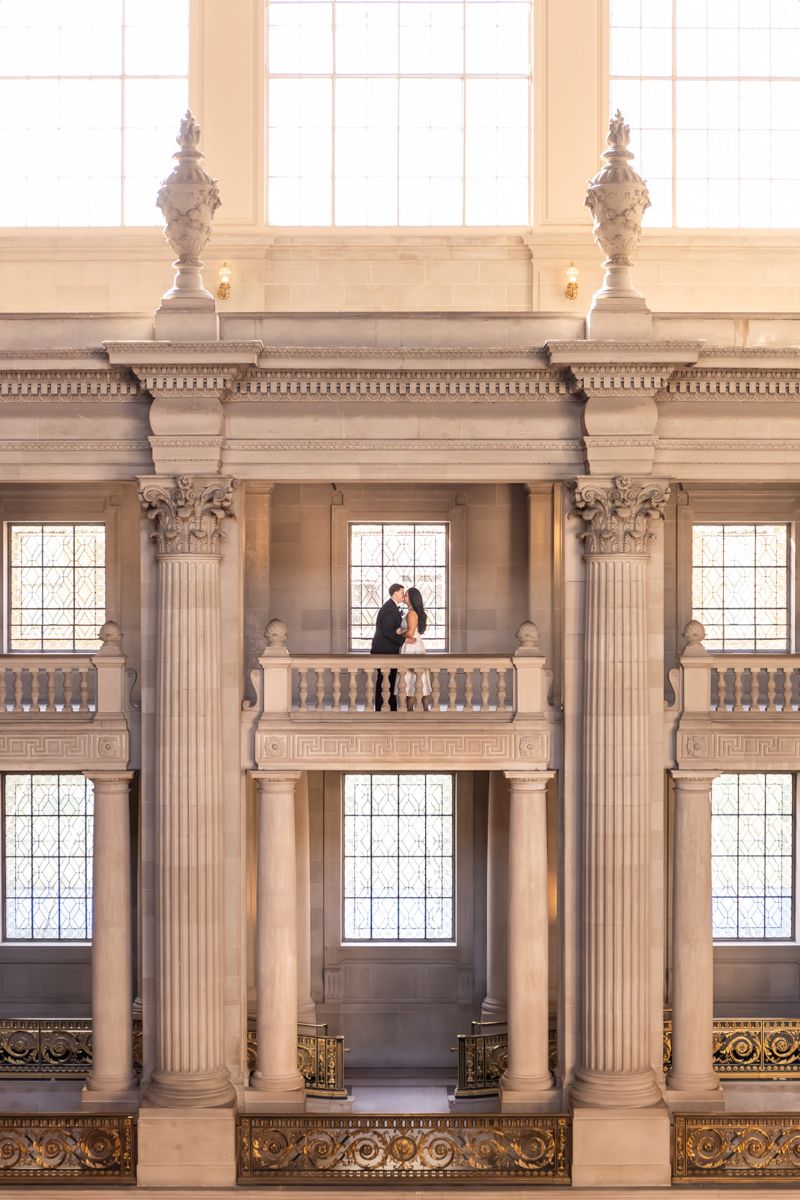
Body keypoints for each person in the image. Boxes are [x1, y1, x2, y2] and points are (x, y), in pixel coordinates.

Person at [370, 583, 405, 711]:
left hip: (386, 649)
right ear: (395, 593)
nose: (403, 595)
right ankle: (383, 708)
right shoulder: (390, 609)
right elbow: (388, 631)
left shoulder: (391, 607)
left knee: (388, 680)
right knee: (385, 680)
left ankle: (387, 707)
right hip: (384, 650)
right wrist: (403, 640)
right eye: (402, 593)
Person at [397, 586, 432, 711]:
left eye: (406, 595)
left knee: (412, 678)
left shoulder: (411, 614)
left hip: (412, 646)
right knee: (417, 678)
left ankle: (411, 710)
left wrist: (398, 633)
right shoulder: (412, 612)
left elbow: (410, 633)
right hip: (415, 645)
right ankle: (422, 708)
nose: (404, 597)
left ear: (411, 598)